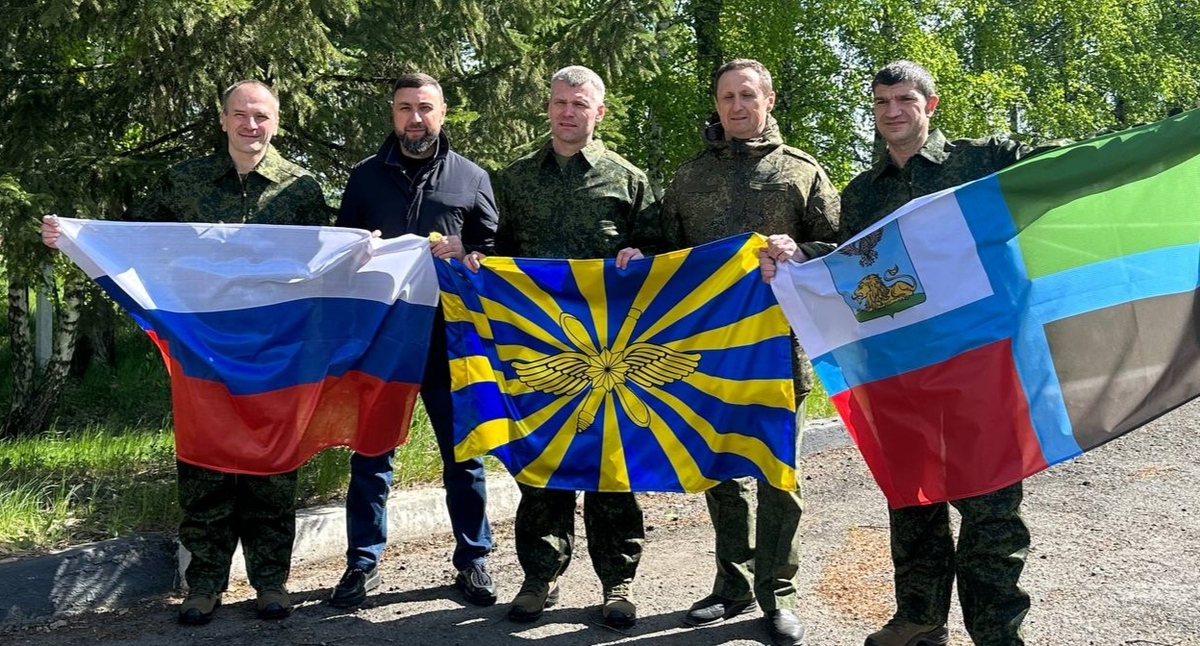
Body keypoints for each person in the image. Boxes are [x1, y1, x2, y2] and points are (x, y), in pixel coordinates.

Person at [42, 80, 331, 625]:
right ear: (222, 119)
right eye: (240, 114)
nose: (251, 125)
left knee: (272, 469)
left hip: (274, 351)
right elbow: (129, 239)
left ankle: (271, 582)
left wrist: (377, 251)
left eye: (262, 116)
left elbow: (325, 264)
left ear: (277, 121)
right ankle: (204, 585)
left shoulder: (302, 189)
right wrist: (74, 237)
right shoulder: (183, 181)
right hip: (202, 350)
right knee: (206, 466)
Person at [800, 59, 1038, 646]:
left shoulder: (979, 161)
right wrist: (798, 255)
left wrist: (1130, 150)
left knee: (989, 507)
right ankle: (920, 617)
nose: (893, 111)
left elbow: (1055, 165)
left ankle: (997, 634)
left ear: (929, 105)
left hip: (978, 362)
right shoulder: (861, 193)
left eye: (905, 99)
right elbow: (848, 265)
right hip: (899, 369)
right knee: (913, 498)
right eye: (882, 102)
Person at [467, 64, 660, 629]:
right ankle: (539, 577)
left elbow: (658, 251)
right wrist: (474, 259)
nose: (568, 112)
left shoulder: (629, 181)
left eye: (579, 103)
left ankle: (618, 583)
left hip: (609, 356)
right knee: (542, 465)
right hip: (536, 352)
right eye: (559, 102)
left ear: (599, 111)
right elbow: (492, 251)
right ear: (548, 107)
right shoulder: (513, 180)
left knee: (610, 471)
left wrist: (641, 255)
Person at [661, 58, 839, 646]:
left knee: (777, 478)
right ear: (716, 104)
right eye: (726, 97)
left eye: (747, 95)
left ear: (769, 100)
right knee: (721, 474)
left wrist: (801, 250)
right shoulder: (689, 178)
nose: (736, 106)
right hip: (708, 355)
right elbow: (665, 256)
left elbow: (840, 249)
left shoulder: (802, 173)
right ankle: (731, 585)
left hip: (781, 354)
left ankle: (778, 595)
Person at [331, 72, 499, 609]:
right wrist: (361, 250)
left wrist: (467, 250)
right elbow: (342, 252)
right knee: (371, 453)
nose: (415, 119)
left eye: (425, 108)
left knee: (463, 454)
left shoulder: (472, 178)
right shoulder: (364, 178)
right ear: (393, 113)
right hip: (384, 340)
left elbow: (494, 253)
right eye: (405, 108)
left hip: (451, 340)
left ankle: (473, 559)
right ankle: (362, 562)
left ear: (442, 113)